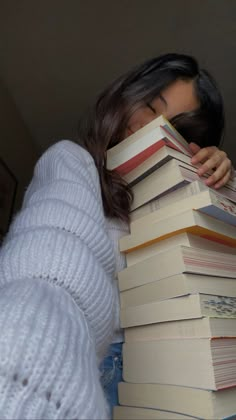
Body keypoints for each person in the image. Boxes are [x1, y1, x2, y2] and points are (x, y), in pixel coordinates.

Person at [0, 53, 233, 419]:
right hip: (96, 368)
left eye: (177, 128)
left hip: (191, 374)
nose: (153, 128)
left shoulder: (168, 198)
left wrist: (214, 185)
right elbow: (52, 256)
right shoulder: (73, 163)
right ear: (128, 93)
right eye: (150, 106)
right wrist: (24, 361)